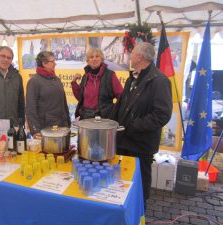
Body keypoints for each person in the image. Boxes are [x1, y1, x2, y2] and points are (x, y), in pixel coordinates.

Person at [111, 42, 172, 210]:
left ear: (139, 57)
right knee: (122, 180)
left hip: (140, 144)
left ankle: (139, 213)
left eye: (132, 54)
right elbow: (122, 105)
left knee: (139, 182)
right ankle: (123, 210)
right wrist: (111, 122)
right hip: (124, 140)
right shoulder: (134, 77)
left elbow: (162, 115)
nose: (129, 57)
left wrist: (133, 126)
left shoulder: (159, 80)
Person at [26, 51, 71, 137]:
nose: (55, 64)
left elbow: (64, 103)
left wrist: (67, 123)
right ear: (44, 63)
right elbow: (30, 109)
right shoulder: (34, 81)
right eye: (52, 61)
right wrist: (35, 130)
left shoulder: (57, 79)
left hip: (61, 127)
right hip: (45, 129)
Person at [71, 48, 123, 120]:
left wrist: (114, 112)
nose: (94, 59)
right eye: (91, 57)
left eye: (97, 56)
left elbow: (121, 96)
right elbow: (80, 98)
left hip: (103, 119)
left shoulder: (110, 75)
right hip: (86, 118)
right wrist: (74, 83)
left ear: (101, 59)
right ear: (88, 61)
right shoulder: (85, 77)